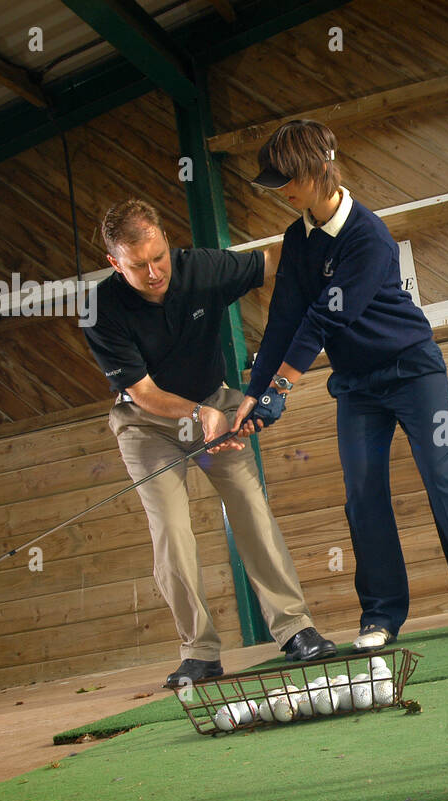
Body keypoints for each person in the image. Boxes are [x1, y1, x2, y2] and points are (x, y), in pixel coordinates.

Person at [231, 120, 448, 651]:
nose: (282, 191)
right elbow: (284, 321)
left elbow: (324, 320)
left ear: (316, 170)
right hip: (357, 385)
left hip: (412, 369)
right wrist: (253, 394)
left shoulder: (368, 235)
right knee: (362, 495)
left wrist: (282, 391)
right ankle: (381, 614)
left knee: (440, 473)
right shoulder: (297, 239)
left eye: (287, 179)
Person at [83, 198, 336, 688]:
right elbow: (145, 393)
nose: (156, 272)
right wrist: (201, 414)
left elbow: (272, 260)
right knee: (172, 530)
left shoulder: (199, 267)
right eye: (139, 266)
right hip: (147, 423)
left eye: (160, 257)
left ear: (167, 244)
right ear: (115, 263)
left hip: (213, 400)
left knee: (250, 507)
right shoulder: (100, 309)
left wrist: (327, 232)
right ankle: (199, 651)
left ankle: (295, 630)